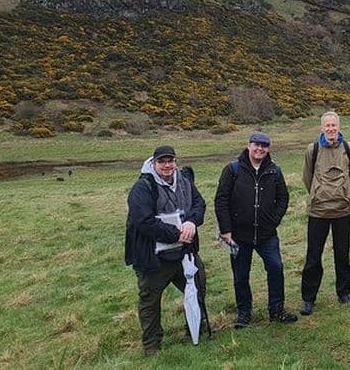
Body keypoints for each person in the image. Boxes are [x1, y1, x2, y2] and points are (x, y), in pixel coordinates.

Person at [124, 145, 207, 356]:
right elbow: (143, 221)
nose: (167, 165)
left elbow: (199, 203)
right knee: (150, 301)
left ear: (175, 162)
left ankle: (196, 328)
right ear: (154, 163)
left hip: (184, 253)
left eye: (170, 160)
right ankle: (152, 345)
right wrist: (175, 233)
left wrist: (192, 222)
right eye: (162, 161)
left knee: (198, 286)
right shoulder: (142, 187)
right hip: (154, 258)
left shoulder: (185, 180)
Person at [214, 132, 298, 328]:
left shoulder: (274, 171)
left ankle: (276, 310)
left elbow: (283, 198)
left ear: (268, 148)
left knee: (276, 268)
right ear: (248, 145)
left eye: (264, 146)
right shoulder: (233, 169)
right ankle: (244, 313)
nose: (260, 149)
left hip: (267, 235)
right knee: (241, 275)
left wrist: (273, 221)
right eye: (256, 145)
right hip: (239, 235)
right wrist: (226, 229)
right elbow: (221, 200)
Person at [300, 111, 350, 315]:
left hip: (342, 210)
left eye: (334, 125)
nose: (331, 129)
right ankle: (308, 298)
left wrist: (343, 194)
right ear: (322, 128)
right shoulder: (312, 149)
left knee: (342, 254)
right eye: (327, 126)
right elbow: (307, 177)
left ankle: (344, 293)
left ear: (339, 127)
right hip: (318, 211)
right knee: (313, 256)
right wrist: (318, 194)